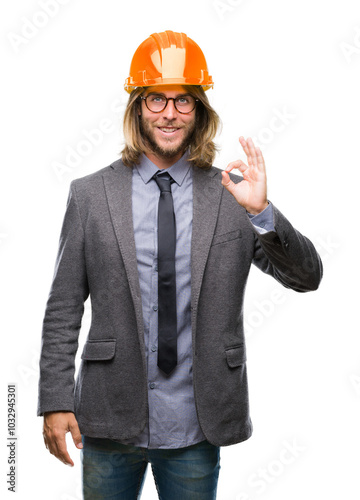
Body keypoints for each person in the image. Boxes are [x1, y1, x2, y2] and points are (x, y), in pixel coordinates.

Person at [38, 30, 323, 499]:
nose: (170, 113)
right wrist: (54, 399)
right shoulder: (90, 195)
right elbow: (63, 305)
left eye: (184, 101)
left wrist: (261, 212)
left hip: (195, 426)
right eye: (156, 99)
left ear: (200, 112)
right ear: (137, 109)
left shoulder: (233, 195)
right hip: (109, 419)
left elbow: (307, 277)